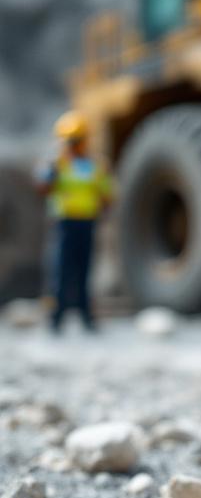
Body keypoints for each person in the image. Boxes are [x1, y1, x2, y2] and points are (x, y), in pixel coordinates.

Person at [36, 112, 114, 333]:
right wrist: (49, 176)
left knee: (84, 272)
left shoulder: (96, 166)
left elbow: (107, 194)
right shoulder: (56, 165)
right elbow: (42, 188)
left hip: (87, 225)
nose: (72, 146)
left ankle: (86, 318)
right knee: (60, 272)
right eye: (69, 141)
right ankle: (56, 320)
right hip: (64, 225)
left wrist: (104, 210)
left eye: (76, 141)